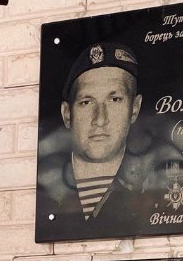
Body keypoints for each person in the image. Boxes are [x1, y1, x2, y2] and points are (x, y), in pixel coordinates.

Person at [36, 42, 150, 240]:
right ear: (67, 114)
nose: (100, 119)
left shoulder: (153, 185)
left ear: (134, 108)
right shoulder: (45, 190)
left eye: (115, 100)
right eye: (86, 102)